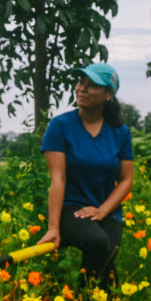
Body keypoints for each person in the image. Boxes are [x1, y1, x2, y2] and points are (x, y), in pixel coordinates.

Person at [36, 62, 134, 284]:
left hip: (106, 208)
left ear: (108, 94)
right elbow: (57, 178)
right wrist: (53, 227)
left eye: (91, 85)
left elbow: (127, 179)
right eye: (81, 82)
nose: (81, 88)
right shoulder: (60, 126)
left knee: (106, 259)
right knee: (99, 244)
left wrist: (103, 210)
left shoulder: (119, 131)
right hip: (70, 208)